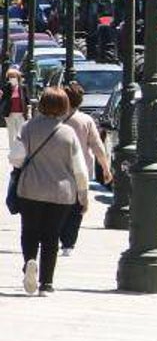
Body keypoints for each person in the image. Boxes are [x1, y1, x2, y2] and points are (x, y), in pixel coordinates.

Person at [10, 87, 88, 296]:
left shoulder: (28, 127)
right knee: (51, 236)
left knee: (29, 231)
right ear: (64, 106)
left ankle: (29, 263)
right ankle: (46, 283)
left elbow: (16, 158)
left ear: (42, 104)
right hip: (61, 193)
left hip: (30, 190)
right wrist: (83, 195)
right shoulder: (68, 132)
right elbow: (79, 169)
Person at [59, 83, 112, 255]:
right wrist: (105, 168)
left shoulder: (55, 118)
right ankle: (68, 243)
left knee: (58, 204)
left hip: (57, 169)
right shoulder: (86, 120)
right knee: (77, 206)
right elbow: (97, 146)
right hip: (80, 170)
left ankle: (60, 235)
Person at [2, 68, 26, 150]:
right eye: (10, 76)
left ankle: (19, 149)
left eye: (13, 76)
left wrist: (28, 112)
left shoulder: (23, 87)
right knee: (11, 133)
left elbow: (27, 100)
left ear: (17, 77)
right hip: (10, 114)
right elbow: (3, 100)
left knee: (20, 133)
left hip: (20, 114)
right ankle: (12, 150)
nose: (12, 78)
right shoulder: (6, 88)